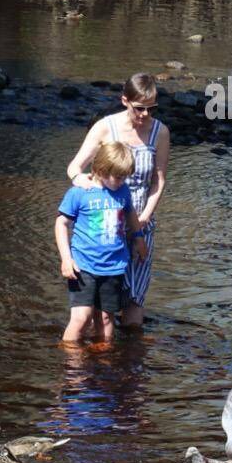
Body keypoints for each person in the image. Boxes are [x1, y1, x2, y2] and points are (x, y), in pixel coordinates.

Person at [67, 73, 169, 331]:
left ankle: (130, 361)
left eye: (152, 108)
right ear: (125, 100)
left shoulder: (160, 132)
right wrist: (83, 182)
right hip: (103, 223)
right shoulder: (105, 127)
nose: (146, 114)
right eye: (140, 108)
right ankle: (94, 357)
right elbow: (74, 167)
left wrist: (143, 218)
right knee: (100, 302)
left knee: (134, 297)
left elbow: (158, 182)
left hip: (141, 222)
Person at [56, 141, 148, 343]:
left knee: (106, 318)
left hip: (113, 266)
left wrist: (139, 237)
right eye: (118, 177)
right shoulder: (80, 192)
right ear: (100, 169)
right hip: (83, 266)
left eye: (125, 177)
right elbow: (61, 224)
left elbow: (130, 213)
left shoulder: (122, 191)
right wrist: (66, 259)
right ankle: (71, 363)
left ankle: (104, 361)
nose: (122, 181)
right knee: (81, 318)